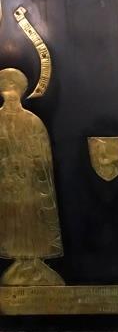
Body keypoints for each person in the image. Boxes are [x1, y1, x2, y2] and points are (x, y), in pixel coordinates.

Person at [0, 67, 64, 286]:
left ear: (21, 91)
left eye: (13, 87)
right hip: (7, 184)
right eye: (5, 87)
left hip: (29, 182)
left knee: (32, 220)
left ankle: (35, 264)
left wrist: (30, 160)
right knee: (12, 222)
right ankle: (19, 264)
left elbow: (43, 157)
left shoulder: (33, 121)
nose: (9, 93)